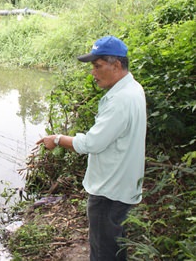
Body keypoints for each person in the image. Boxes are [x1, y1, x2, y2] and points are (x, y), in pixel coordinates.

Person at [36, 35, 147, 261]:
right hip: (123, 184)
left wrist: (57, 139)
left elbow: (91, 144)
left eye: (97, 66)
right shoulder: (133, 89)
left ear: (116, 65)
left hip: (110, 190)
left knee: (103, 251)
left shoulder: (120, 100)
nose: (93, 73)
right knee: (115, 243)